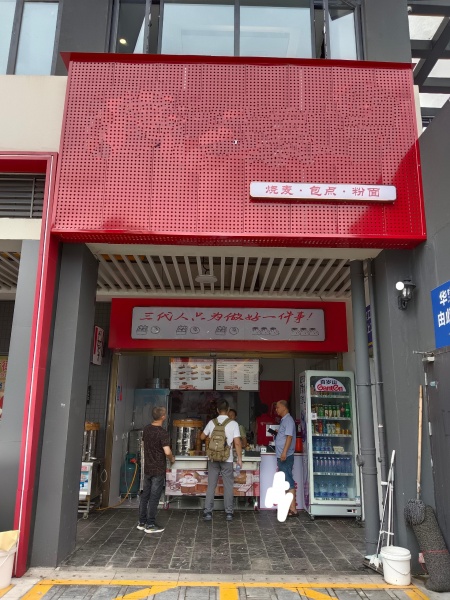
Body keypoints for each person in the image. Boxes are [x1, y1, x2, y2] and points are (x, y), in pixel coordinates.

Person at [200, 400, 242, 521]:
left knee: (211, 485)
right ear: (228, 410)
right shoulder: (233, 424)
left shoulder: (211, 422)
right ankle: (229, 513)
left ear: (217, 410)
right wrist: (239, 459)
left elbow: (202, 437)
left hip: (213, 458)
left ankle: (208, 512)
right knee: (228, 486)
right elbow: (237, 443)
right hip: (227, 458)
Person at [137, 405, 175, 533]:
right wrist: (172, 459)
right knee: (154, 496)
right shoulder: (163, 433)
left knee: (145, 495)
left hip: (148, 467)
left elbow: (144, 444)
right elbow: (167, 451)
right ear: (163, 417)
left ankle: (142, 522)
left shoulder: (146, 429)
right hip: (158, 469)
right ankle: (150, 524)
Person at [275, 400, 298, 516]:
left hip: (285, 456)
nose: (276, 410)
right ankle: (288, 507)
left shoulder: (288, 420)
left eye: (278, 407)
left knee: (288, 480)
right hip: (282, 455)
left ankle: (293, 509)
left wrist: (284, 452)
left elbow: (289, 437)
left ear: (284, 407)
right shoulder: (284, 420)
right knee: (285, 481)